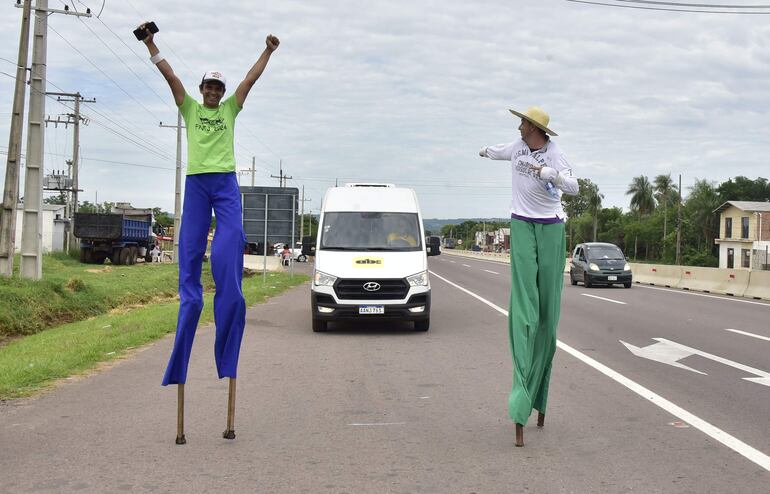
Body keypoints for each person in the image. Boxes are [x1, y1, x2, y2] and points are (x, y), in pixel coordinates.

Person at [138, 23, 280, 388]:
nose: (214, 92)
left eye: (218, 87)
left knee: (229, 242)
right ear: (202, 90)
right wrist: (152, 46)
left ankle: (228, 295)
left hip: (225, 183)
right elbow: (170, 78)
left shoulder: (231, 109)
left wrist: (267, 52)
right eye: (209, 87)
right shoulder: (189, 109)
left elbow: (249, 80)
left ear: (222, 92)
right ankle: (191, 302)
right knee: (189, 248)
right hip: (198, 184)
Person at [478, 106, 579, 447]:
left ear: (534, 128)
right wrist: (482, 151)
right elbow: (497, 151)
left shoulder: (555, 153)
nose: (518, 126)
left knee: (548, 316)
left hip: (550, 228)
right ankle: (521, 392)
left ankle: (539, 393)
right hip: (521, 223)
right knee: (526, 311)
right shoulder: (517, 148)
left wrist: (551, 174)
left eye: (522, 122)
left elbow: (575, 186)